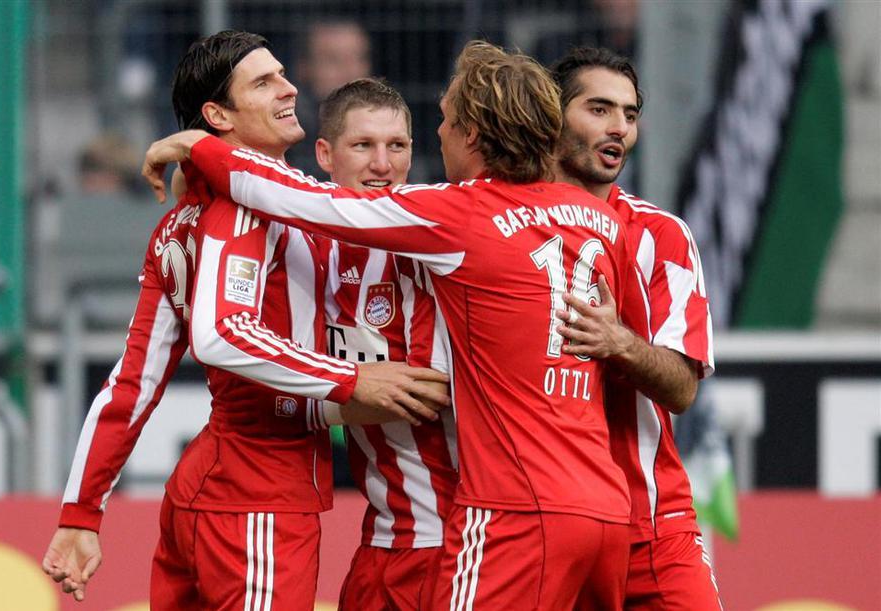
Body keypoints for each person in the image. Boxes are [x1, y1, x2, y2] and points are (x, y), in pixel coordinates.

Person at [143, 40, 653, 609]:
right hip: (591, 506)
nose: (437, 134)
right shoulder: (598, 220)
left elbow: (301, 200)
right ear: (327, 152)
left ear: (472, 135)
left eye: (443, 121)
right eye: (364, 145)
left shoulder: (452, 221)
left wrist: (203, 149)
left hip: (491, 519)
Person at [41, 30, 448, 610]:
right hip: (257, 495)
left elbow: (131, 385)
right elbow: (222, 334)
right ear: (218, 115)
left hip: (206, 488)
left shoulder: (178, 225)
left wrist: (81, 511)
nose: (288, 88)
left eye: (282, 73)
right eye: (264, 82)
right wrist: (355, 381)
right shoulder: (248, 209)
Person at [549, 46, 723, 609]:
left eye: (630, 114)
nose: (619, 128)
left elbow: (682, 389)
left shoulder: (662, 236)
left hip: (652, 526)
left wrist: (618, 342)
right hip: (544, 527)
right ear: (551, 116)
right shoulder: (501, 224)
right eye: (599, 109)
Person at [312, 78, 457, 610]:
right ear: (325, 154)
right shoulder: (309, 250)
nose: (382, 164)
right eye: (363, 145)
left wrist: (319, 399)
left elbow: (433, 391)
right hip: (383, 536)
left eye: (396, 146)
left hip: (450, 540)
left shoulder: (434, 245)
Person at [286, 20, 372, 178]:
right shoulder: (288, 132)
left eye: (358, 58)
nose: (350, 70)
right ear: (303, 67)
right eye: (333, 60)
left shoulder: (389, 121)